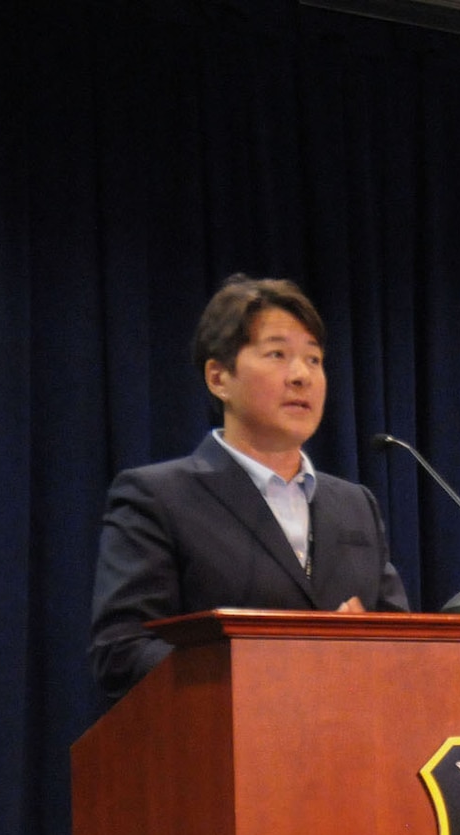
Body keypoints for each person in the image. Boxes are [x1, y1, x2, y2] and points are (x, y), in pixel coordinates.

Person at [89, 274, 409, 701]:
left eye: (313, 359)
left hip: (347, 751)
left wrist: (368, 644)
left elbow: (403, 647)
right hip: (220, 753)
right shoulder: (159, 497)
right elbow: (121, 653)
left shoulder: (356, 505)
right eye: (277, 354)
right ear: (219, 378)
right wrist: (276, 668)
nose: (301, 376)